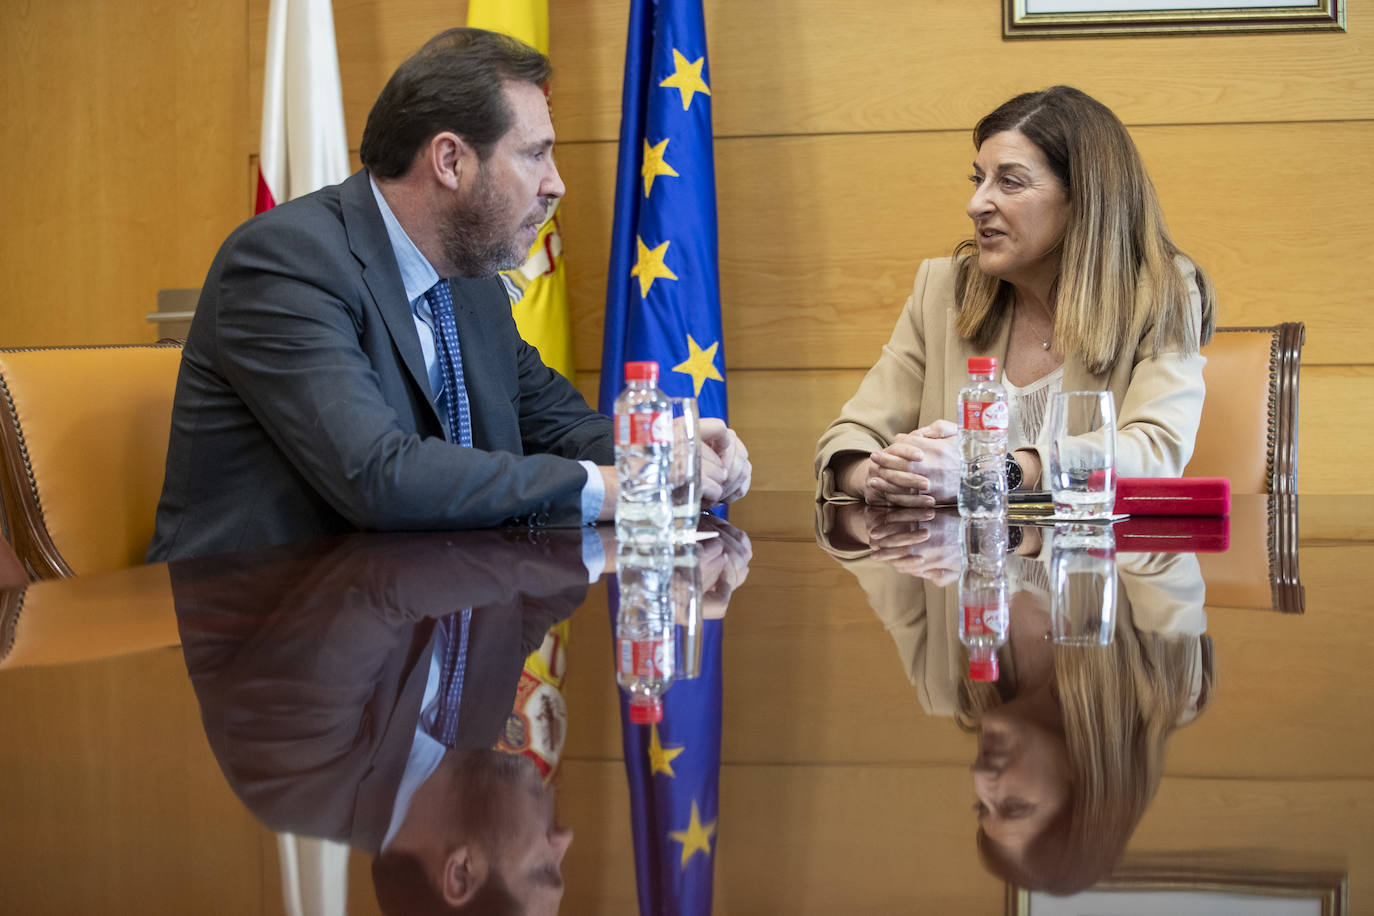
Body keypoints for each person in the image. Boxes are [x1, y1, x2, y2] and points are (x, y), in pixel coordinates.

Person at [149, 28, 749, 563]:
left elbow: (558, 428)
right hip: (267, 636)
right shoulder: (285, 263)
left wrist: (665, 448)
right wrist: (615, 488)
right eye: (535, 154)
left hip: (415, 617)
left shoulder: (471, 283)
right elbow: (379, 477)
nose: (556, 184)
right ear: (449, 160)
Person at [815, 85, 1215, 506]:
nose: (976, 203)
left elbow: (1155, 449)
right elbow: (849, 439)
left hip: (1097, 567)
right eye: (978, 179)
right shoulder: (943, 289)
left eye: (1009, 182)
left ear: (1083, 200)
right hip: (959, 565)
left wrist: (1000, 471)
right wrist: (879, 476)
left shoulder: (1160, 294)